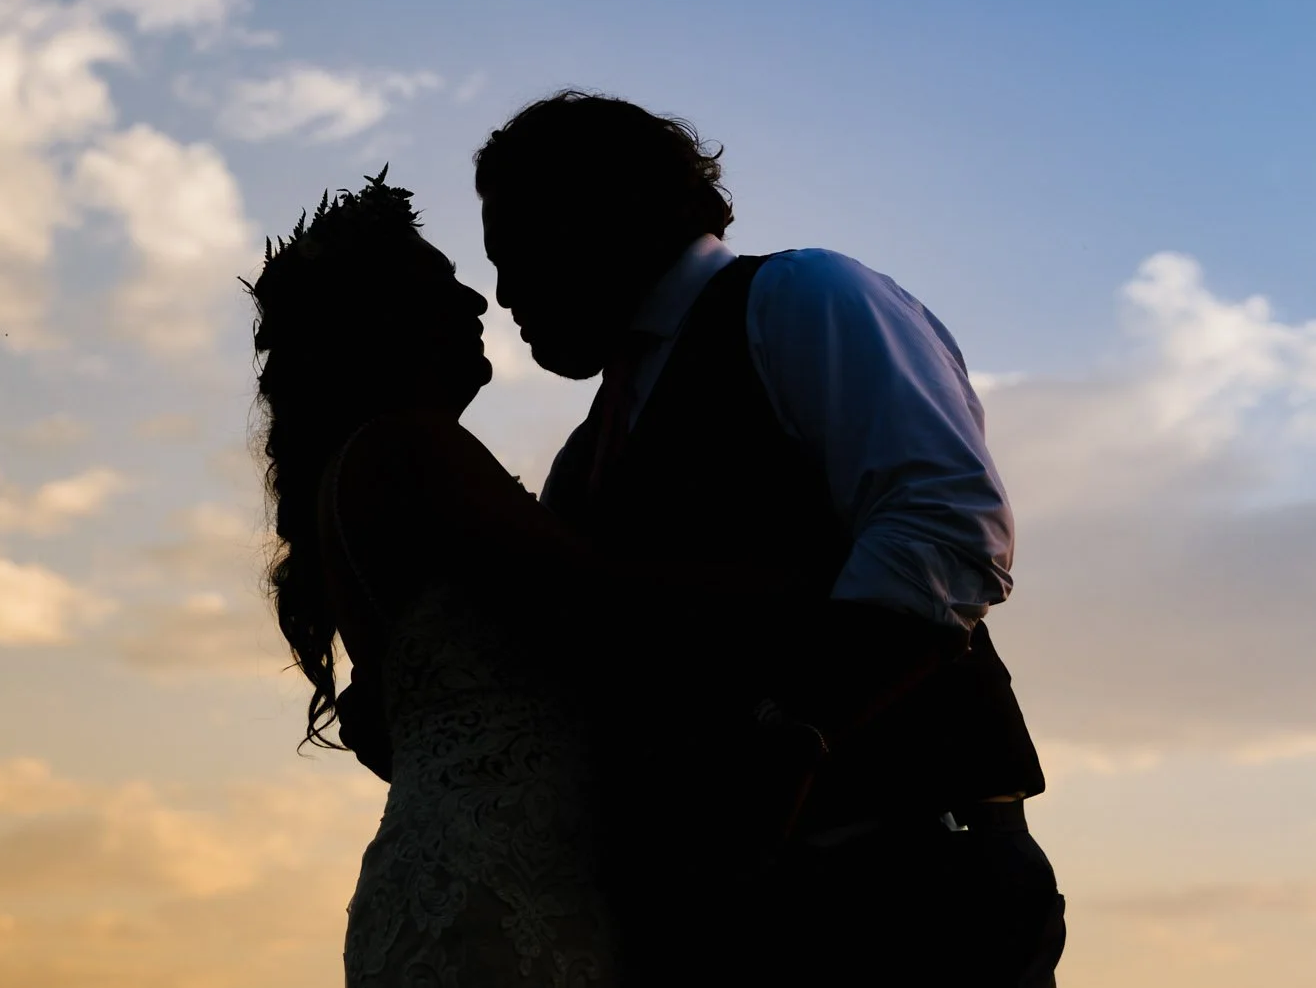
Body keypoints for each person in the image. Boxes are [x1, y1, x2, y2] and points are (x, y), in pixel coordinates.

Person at [471, 91, 1065, 988]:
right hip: (740, 921)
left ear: (605, 212)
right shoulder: (590, 451)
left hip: (906, 894)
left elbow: (944, 521)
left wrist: (791, 737)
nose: (506, 293)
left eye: (517, 253)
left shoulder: (802, 295)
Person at [248, 174, 624, 985]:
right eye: (441, 282)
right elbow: (613, 604)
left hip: (453, 872)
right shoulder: (410, 450)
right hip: (505, 890)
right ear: (380, 322)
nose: (477, 303)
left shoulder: (359, 474)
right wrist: (822, 592)